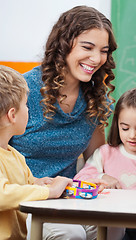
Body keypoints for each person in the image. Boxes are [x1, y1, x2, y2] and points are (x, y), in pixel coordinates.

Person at [9, 5, 117, 240]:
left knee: (114, 226)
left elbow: (95, 157)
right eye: (87, 47)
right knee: (71, 234)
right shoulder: (23, 91)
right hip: (23, 201)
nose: (96, 59)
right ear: (63, 45)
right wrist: (38, 185)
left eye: (104, 51)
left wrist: (104, 175)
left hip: (68, 200)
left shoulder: (96, 97)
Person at [75, 86, 136, 240]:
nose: (132, 135)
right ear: (117, 124)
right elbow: (79, 181)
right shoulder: (105, 153)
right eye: (125, 128)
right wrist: (102, 177)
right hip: (108, 225)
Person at [0, 65, 73, 240]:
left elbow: (25, 185)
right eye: (25, 105)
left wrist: (43, 184)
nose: (29, 110)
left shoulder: (15, 156)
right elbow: (2, 194)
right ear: (12, 115)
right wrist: (50, 192)